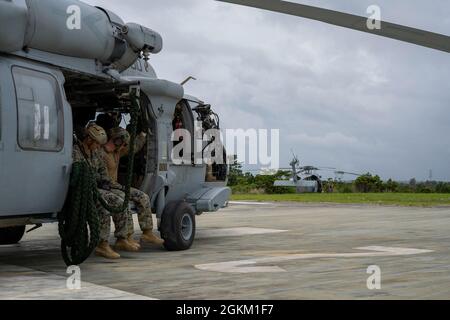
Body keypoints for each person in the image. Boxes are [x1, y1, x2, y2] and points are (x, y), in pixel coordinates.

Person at [72, 124, 138, 259]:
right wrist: (97, 180)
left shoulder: (94, 152)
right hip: (84, 189)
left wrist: (105, 181)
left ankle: (122, 238)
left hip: (98, 187)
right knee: (103, 208)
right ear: (89, 140)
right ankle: (102, 244)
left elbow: (102, 169)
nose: (98, 147)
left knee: (120, 202)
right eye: (96, 143)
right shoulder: (76, 152)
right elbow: (80, 173)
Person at [101, 127, 164, 247]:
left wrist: (143, 134)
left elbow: (133, 147)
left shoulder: (117, 151)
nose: (124, 146)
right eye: (123, 143)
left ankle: (147, 232)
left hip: (116, 186)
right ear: (117, 141)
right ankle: (125, 237)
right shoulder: (101, 154)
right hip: (107, 187)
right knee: (124, 203)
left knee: (143, 197)